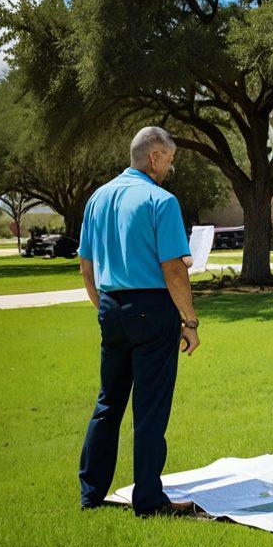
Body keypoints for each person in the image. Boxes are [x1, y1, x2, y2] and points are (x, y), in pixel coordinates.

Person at [77, 126, 200, 517]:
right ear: (154, 157)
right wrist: (190, 321)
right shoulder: (160, 201)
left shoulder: (98, 198)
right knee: (150, 408)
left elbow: (85, 263)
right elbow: (174, 270)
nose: (170, 168)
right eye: (169, 160)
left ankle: (91, 495)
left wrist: (103, 304)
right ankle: (148, 500)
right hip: (152, 308)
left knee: (108, 403)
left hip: (111, 306)